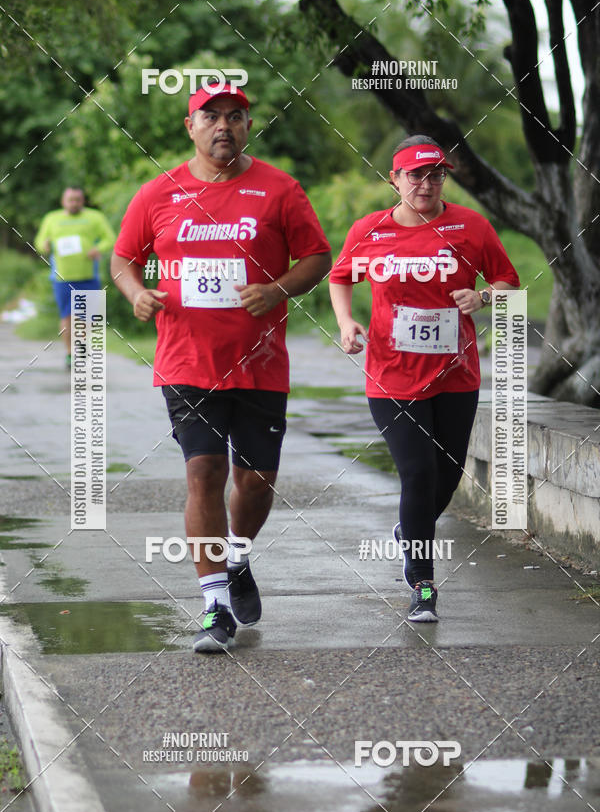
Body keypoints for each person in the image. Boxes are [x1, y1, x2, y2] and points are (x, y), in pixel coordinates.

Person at [111, 83, 331, 652]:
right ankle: (213, 606)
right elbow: (122, 259)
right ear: (192, 127)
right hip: (186, 360)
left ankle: (237, 556)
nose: (224, 126)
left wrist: (277, 289)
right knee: (203, 473)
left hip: (260, 365)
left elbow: (317, 257)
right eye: (211, 117)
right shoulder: (158, 193)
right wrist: (136, 292)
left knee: (255, 483)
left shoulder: (279, 189)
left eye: (235, 116)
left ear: (248, 126)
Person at [329, 135, 520, 622]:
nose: (426, 183)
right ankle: (423, 583)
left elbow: (508, 283)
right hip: (391, 376)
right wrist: (347, 322)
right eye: (415, 174)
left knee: (447, 474)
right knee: (417, 473)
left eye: (435, 173)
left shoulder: (470, 226)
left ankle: (410, 528)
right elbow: (340, 276)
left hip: (456, 374)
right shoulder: (370, 230)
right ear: (394, 179)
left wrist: (483, 299)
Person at [34, 187, 115, 367]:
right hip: (62, 277)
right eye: (70, 200)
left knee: (88, 318)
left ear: (83, 201)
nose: (74, 203)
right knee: (68, 316)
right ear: (63, 201)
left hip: (88, 275)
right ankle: (71, 354)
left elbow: (109, 238)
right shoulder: (52, 218)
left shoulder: (95, 217)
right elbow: (39, 241)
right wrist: (44, 245)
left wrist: (98, 249)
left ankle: (82, 349)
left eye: (77, 199)